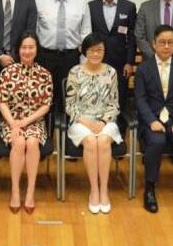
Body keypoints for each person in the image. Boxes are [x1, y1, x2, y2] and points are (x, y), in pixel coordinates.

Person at [134, 25, 173, 214]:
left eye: (171, 42)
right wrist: (151, 121)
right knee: (156, 142)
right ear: (154, 44)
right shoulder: (143, 69)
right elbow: (140, 99)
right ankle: (149, 188)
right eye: (162, 42)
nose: (166, 46)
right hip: (152, 120)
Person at [65, 33, 122, 214]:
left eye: (99, 50)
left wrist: (103, 121)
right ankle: (94, 190)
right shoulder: (75, 72)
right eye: (91, 50)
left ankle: (104, 190)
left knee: (103, 141)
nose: (96, 54)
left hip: (106, 120)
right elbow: (69, 105)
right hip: (81, 120)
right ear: (84, 51)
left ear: (104, 51)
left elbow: (114, 104)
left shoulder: (111, 72)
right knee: (90, 141)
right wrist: (87, 123)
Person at [0, 32, 53, 214]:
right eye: (24, 47)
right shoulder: (7, 72)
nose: (27, 51)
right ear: (18, 49)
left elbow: (45, 106)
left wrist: (25, 122)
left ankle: (30, 192)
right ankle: (15, 191)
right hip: (11, 121)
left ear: (37, 49)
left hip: (34, 121)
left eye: (31, 47)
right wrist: (14, 123)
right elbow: (2, 103)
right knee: (19, 142)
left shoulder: (45, 74)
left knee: (32, 142)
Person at [36, 0, 91, 112]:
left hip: (71, 57)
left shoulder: (81, 2)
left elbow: (86, 32)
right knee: (45, 97)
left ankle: (67, 126)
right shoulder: (39, 1)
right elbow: (34, 31)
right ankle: (47, 125)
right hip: (45, 57)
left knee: (69, 98)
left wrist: (84, 61)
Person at [87, 0, 137, 113]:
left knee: (120, 98)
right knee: (98, 96)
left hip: (121, 62)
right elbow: (88, 35)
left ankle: (119, 125)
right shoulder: (91, 6)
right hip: (98, 60)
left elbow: (132, 37)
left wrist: (129, 62)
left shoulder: (129, 7)